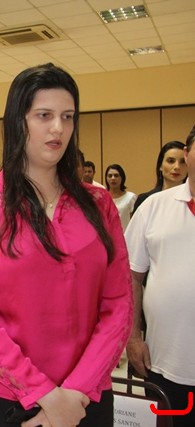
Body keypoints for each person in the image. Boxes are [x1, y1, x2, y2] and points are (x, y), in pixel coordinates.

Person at [0, 63, 132, 427]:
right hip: (5, 398)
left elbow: (119, 305)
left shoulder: (99, 204)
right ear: (19, 121)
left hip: (86, 397)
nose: (58, 128)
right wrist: (47, 396)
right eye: (44, 115)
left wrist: (74, 394)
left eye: (68, 116)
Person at [124, 128, 195, 427]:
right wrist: (133, 338)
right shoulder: (154, 206)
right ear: (187, 154)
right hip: (165, 362)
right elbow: (130, 277)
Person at [133, 140, 187, 212]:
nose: (177, 167)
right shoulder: (145, 199)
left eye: (183, 162)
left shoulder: (192, 198)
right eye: (171, 161)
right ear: (160, 166)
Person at [105, 164, 136, 231]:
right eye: (110, 176)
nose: (113, 178)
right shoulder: (102, 198)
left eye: (116, 175)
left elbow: (135, 222)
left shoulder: (130, 197)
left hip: (125, 235)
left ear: (122, 178)